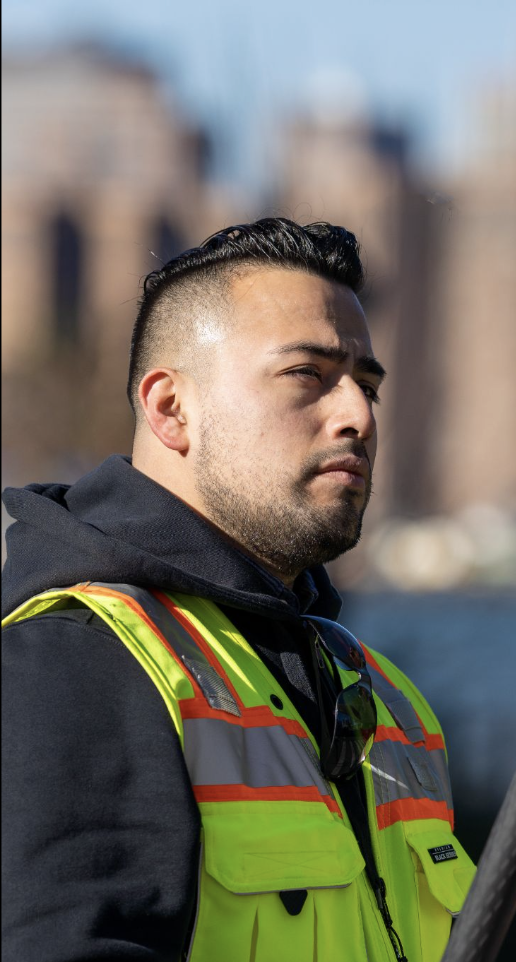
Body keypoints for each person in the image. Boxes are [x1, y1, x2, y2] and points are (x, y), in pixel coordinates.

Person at [1, 219, 474, 962]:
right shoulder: (75, 662)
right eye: (307, 375)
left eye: (368, 384)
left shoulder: (383, 696)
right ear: (170, 409)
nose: (358, 416)